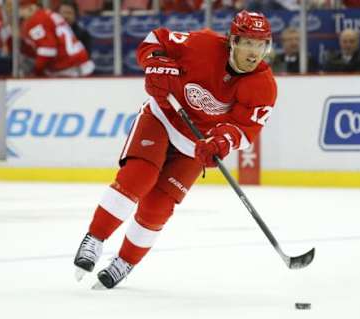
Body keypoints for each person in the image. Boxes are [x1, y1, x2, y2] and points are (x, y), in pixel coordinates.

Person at [73, 10, 277, 289]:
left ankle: (125, 262)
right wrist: (155, 61)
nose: (255, 52)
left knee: (158, 206)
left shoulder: (263, 85)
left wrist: (220, 141)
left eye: (261, 44)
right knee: (140, 176)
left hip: (197, 144)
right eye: (248, 43)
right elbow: (155, 39)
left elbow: (245, 128)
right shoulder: (202, 44)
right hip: (162, 117)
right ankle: (94, 239)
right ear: (232, 41)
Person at [19, 0, 94, 77]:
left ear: (30, 8)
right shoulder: (50, 14)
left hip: (69, 69)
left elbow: (48, 51)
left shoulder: (36, 20)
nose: (20, 14)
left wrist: (37, 72)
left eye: (21, 9)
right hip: (79, 66)